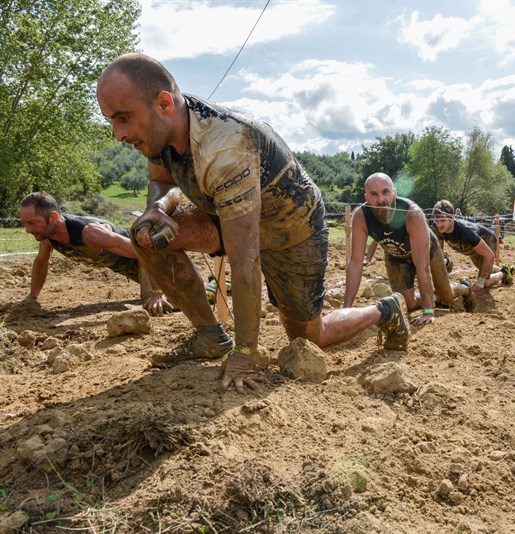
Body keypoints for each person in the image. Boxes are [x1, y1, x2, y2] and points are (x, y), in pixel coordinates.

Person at [96, 53, 410, 393]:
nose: (119, 134)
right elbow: (163, 180)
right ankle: (209, 336)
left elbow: (244, 259)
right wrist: (156, 208)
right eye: (112, 121)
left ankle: (384, 309)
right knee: (147, 233)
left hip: (294, 229)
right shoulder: (157, 133)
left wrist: (245, 354)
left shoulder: (227, 147)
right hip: (228, 214)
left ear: (164, 103)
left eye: (124, 119)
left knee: (308, 337)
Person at [343, 173, 476, 325]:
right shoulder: (361, 216)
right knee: (409, 305)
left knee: (447, 297)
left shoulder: (411, 213)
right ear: (366, 198)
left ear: (394, 192)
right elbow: (355, 263)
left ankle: (464, 287)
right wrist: (345, 310)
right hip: (395, 256)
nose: (381, 200)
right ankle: (433, 296)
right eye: (374, 194)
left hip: (427, 251)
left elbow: (422, 265)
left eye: (385, 192)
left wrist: (427, 311)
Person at [18, 192, 172, 316]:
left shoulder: (91, 233)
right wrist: (32, 297)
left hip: (154, 264)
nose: (27, 230)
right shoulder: (48, 237)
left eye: (32, 223)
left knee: (160, 305)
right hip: (134, 270)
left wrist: (155, 292)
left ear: (53, 218)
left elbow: (144, 252)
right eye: (25, 223)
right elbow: (41, 262)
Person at [430, 199, 512, 291]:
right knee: (483, 267)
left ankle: (504, 272)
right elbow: (439, 252)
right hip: (473, 249)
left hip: (487, 242)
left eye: (443, 220)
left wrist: (480, 281)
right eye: (436, 220)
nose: (439, 224)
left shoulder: (466, 232)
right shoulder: (435, 228)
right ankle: (502, 269)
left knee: (485, 282)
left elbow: (489, 255)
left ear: (452, 218)